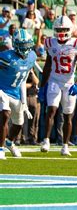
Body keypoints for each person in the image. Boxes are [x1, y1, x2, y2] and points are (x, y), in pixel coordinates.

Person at [38, 16, 77, 156]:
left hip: (69, 83)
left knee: (68, 115)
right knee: (51, 110)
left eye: (64, 29)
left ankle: (65, 145)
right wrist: (42, 86)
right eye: (59, 29)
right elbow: (47, 65)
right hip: (54, 80)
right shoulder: (50, 43)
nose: (61, 31)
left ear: (70, 30)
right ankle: (46, 140)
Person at [0, 29, 37, 159]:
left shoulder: (32, 56)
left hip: (15, 93)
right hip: (2, 90)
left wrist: (24, 102)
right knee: (5, 114)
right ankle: (1, 148)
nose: (25, 49)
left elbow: (24, 79)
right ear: (16, 45)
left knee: (18, 124)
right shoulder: (6, 57)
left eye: (27, 45)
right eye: (22, 46)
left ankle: (9, 142)